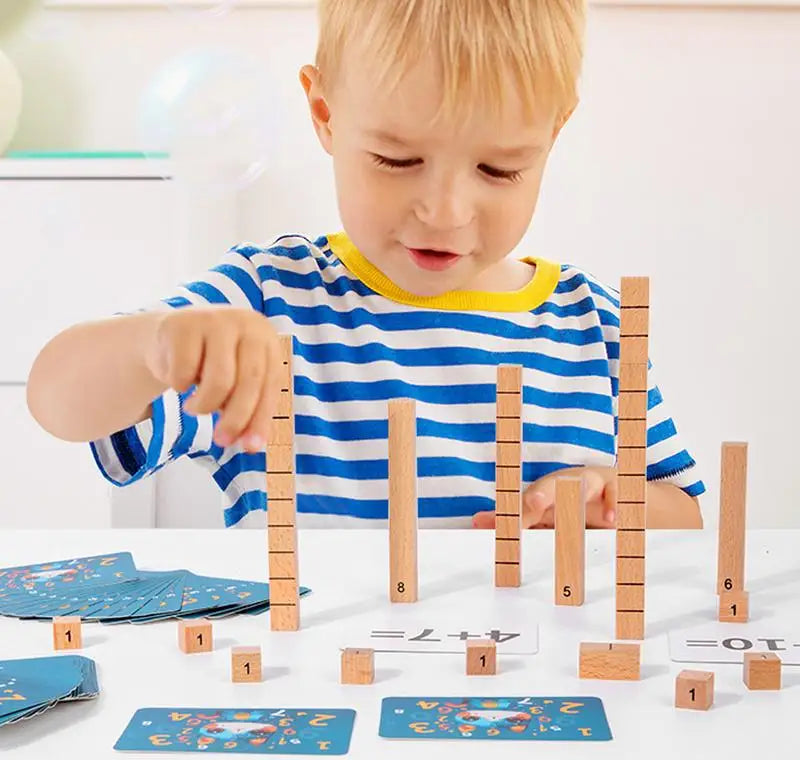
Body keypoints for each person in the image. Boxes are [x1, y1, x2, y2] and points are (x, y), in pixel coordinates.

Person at [26, 0, 704, 531]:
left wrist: (615, 502)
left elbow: (688, 516)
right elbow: (57, 401)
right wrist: (155, 346)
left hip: (539, 695)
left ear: (552, 136)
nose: (444, 210)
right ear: (325, 114)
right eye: (397, 160)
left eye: (499, 169)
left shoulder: (598, 326)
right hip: (313, 697)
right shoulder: (266, 300)